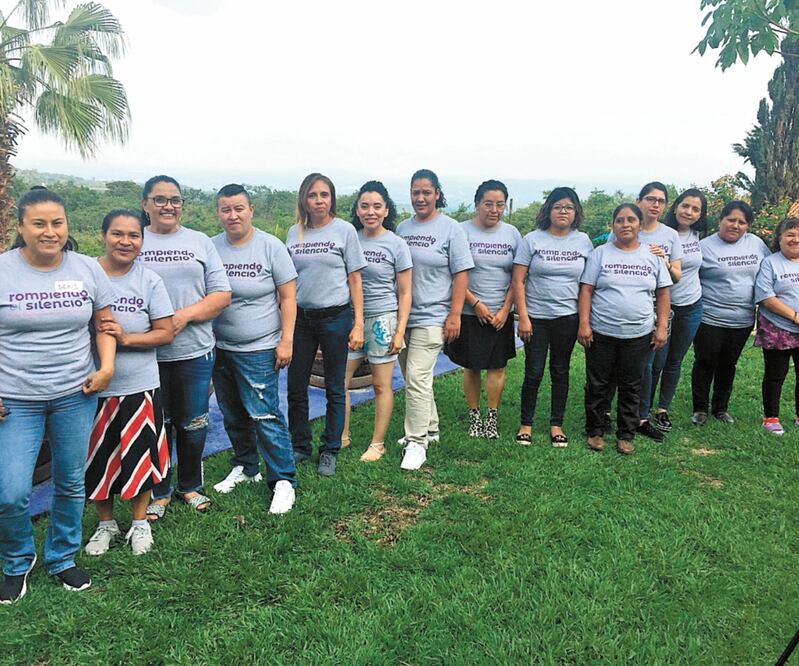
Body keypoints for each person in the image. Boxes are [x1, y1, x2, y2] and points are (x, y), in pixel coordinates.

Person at [0, 188, 116, 603]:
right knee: (10, 491)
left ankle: (62, 557)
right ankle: (17, 561)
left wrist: (105, 369)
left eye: (57, 223)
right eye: (39, 224)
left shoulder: (86, 269)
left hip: (75, 392)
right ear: (21, 227)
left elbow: (105, 325)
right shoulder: (3, 270)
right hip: (14, 400)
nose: (50, 232)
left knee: (69, 481)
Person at [139, 176, 232, 519]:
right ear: (145, 204)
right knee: (157, 425)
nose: (168, 206)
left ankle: (189, 485)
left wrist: (181, 318)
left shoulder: (199, 242)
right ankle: (160, 490)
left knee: (193, 423)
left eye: (175, 199)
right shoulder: (135, 240)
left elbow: (221, 295)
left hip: (194, 350)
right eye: (160, 199)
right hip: (147, 355)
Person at [84, 210, 175, 556]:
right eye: (117, 234)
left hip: (140, 384)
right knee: (99, 459)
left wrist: (126, 338)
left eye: (133, 235)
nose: (125, 242)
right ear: (104, 235)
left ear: (142, 240)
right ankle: (105, 523)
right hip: (92, 386)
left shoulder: (149, 280)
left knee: (140, 456)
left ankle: (139, 523)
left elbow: (165, 332)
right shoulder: (85, 273)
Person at [210, 184, 298, 513]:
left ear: (251, 210)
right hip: (220, 346)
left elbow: (288, 297)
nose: (232, 215)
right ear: (218, 212)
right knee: (232, 412)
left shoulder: (270, 247)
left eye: (238, 208)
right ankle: (246, 467)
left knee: (264, 414)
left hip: (259, 347)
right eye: (225, 209)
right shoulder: (211, 247)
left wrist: (285, 340)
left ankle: (283, 480)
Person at [286, 173, 366, 477]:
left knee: (335, 386)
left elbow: (355, 280)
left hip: (336, 316)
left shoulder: (344, 231)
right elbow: (288, 281)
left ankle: (330, 448)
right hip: (302, 320)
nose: (319, 201)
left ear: (331, 198)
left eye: (324, 195)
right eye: (312, 195)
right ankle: (300, 446)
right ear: (303, 199)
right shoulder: (295, 233)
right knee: (296, 386)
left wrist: (358, 323)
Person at [578, 203, 672, 455]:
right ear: (613, 225)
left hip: (638, 334)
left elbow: (663, 293)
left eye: (631, 220)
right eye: (620, 220)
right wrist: (584, 324)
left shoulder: (653, 255)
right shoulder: (600, 254)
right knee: (598, 384)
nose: (625, 224)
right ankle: (595, 430)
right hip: (601, 331)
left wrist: (661, 326)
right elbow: (586, 289)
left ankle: (626, 434)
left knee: (632, 385)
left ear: (640, 225)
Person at [396, 169, 474, 470]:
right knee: (412, 376)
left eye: (426, 192)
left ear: (437, 194)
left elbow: (461, 274)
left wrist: (454, 315)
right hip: (403, 316)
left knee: (417, 377)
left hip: (434, 315)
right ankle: (431, 427)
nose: (421, 197)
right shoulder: (402, 228)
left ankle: (416, 442)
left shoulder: (451, 228)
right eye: (415, 192)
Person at [513, 187, 593, 447]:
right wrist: (522, 316)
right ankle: (526, 424)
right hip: (535, 317)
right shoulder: (532, 239)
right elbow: (518, 280)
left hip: (567, 318)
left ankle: (556, 425)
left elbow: (587, 285)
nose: (563, 211)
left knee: (560, 371)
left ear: (575, 213)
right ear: (548, 210)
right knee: (534, 372)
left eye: (569, 207)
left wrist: (583, 322)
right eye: (558, 206)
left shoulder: (583, 241)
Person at [341, 181, 412, 462]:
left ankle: (377, 443)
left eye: (376, 206)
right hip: (350, 319)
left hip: (382, 319)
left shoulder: (396, 244)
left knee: (382, 385)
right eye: (364, 206)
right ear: (357, 210)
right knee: (340, 381)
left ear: (386, 210)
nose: (370, 211)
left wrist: (399, 332)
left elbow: (405, 292)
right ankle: (342, 435)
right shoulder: (350, 238)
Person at [445, 180, 520, 439]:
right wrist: (475, 304)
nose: (494, 209)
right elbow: (454, 272)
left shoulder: (512, 233)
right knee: (472, 366)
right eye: (488, 204)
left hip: (501, 313)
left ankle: (492, 417)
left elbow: (518, 277)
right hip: (468, 311)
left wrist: (505, 309)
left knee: (497, 366)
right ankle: (474, 415)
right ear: (477, 204)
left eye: (500, 204)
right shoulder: (460, 231)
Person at [690, 201, 769, 425]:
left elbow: (768, 273)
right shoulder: (704, 246)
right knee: (705, 362)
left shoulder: (756, 244)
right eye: (731, 220)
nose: (735, 225)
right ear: (720, 220)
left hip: (742, 320)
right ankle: (700, 409)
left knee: (728, 363)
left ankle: (721, 408)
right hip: (709, 317)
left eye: (741, 222)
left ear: (748, 226)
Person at [647, 189, 708, 432]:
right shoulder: (660, 233)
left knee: (675, 361)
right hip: (664, 306)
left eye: (695, 209)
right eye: (685, 206)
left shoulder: (697, 235)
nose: (689, 212)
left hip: (691, 305)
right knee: (655, 361)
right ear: (675, 207)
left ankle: (662, 409)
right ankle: (643, 409)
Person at [754, 217, 799, 435]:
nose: (795, 239)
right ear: (779, 238)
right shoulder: (770, 262)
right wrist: (795, 317)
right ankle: (771, 417)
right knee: (775, 374)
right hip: (777, 326)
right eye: (790, 234)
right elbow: (765, 297)